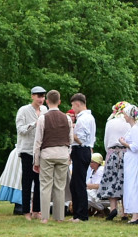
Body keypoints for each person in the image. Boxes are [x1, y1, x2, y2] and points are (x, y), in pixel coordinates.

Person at [33, 90, 74, 224]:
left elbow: (38, 141)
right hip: (62, 153)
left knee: (45, 186)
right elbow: (71, 139)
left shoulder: (43, 118)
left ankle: (45, 217)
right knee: (60, 186)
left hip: (47, 154)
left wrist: (36, 160)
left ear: (47, 101)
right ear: (60, 102)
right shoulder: (67, 118)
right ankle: (59, 217)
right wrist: (68, 154)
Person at [15, 86, 47, 220]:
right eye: (38, 96)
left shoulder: (45, 110)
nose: (41, 99)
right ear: (32, 96)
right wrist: (35, 123)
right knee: (27, 182)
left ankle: (37, 210)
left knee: (40, 181)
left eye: (43, 96)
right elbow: (20, 129)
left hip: (41, 150)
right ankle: (26, 211)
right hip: (27, 150)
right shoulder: (23, 110)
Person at [97, 101, 131, 220]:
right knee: (124, 181)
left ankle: (113, 208)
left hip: (112, 153)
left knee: (112, 180)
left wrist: (109, 152)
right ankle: (125, 212)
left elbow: (106, 140)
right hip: (126, 153)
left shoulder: (110, 122)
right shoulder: (129, 123)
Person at [69, 93, 96, 223]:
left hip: (81, 149)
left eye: (73, 106)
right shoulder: (89, 117)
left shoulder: (84, 118)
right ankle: (77, 213)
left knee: (78, 183)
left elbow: (81, 139)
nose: (73, 108)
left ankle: (81, 214)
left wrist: (70, 132)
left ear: (78, 104)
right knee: (74, 183)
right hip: (83, 151)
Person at [120, 104, 138, 224]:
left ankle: (136, 214)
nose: (124, 116)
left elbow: (136, 147)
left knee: (134, 184)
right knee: (133, 183)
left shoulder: (136, 129)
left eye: (125, 114)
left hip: (134, 158)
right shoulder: (134, 128)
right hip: (131, 158)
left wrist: (123, 143)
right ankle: (137, 213)